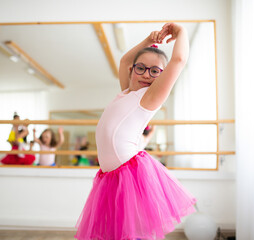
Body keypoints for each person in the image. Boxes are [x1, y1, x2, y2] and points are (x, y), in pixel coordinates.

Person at [75, 23, 197, 240]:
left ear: (162, 77)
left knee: (135, 232)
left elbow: (178, 60)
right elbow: (124, 60)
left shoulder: (149, 97)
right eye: (141, 67)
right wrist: (149, 41)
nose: (146, 74)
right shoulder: (125, 92)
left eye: (155, 71)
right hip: (111, 177)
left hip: (130, 174)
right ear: (133, 70)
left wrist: (181, 32)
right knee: (118, 232)